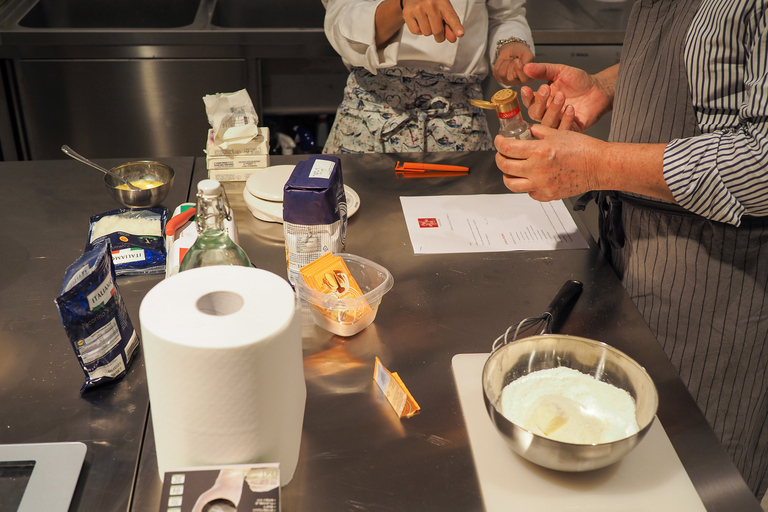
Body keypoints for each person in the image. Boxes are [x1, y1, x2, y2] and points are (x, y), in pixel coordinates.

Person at [495, 0, 768, 498]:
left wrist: (601, 165)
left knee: (684, 482)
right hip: (631, 260)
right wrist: (609, 85)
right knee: (614, 466)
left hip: (715, 284)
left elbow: (763, 160)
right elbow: (723, 59)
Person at [321, 0, 534, 154]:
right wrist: (400, 6)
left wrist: (509, 43)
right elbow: (340, 15)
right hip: (369, 122)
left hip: (460, 126)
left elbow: (506, 15)